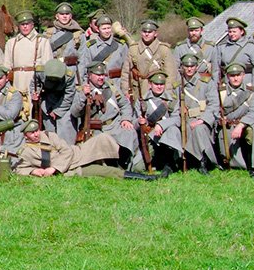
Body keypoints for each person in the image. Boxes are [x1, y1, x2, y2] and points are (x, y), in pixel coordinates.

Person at [13, 120, 155, 179]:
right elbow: (18, 168)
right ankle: (145, 178)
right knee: (106, 172)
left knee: (104, 139)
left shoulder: (49, 136)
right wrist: (33, 171)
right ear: (25, 135)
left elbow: (67, 151)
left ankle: (132, 163)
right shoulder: (26, 151)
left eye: (37, 130)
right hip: (72, 170)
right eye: (32, 133)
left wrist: (53, 168)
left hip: (78, 155)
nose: (36, 134)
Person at [157, 55, 218, 172]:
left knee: (199, 129)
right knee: (174, 130)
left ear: (196, 67)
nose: (189, 69)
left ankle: (203, 162)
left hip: (202, 119)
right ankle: (172, 162)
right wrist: (179, 111)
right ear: (182, 67)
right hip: (185, 120)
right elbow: (174, 110)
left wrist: (203, 119)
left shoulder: (206, 83)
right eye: (186, 66)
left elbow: (214, 104)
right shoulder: (178, 86)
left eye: (192, 66)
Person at [71, 62, 138, 167]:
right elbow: (75, 113)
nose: (101, 77)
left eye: (103, 75)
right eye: (98, 75)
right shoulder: (82, 90)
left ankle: (125, 163)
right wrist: (83, 96)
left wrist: (126, 119)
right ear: (89, 75)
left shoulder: (111, 87)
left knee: (129, 132)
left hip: (114, 124)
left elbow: (124, 104)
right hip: (96, 128)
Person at [214, 64, 254, 175]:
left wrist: (241, 124)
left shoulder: (251, 91)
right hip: (227, 125)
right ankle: (234, 163)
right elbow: (214, 109)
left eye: (238, 75)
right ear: (227, 76)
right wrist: (219, 119)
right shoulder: (220, 91)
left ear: (243, 75)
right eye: (232, 75)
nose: (236, 78)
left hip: (245, 124)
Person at [125, 20, 175, 100]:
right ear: (141, 32)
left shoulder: (163, 49)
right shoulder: (133, 49)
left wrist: (167, 93)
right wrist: (125, 91)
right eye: (144, 31)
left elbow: (170, 74)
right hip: (137, 89)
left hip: (157, 90)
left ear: (155, 33)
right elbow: (126, 72)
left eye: (150, 32)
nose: (147, 34)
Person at [4, 10, 48, 97]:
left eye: (27, 24)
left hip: (34, 81)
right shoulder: (11, 43)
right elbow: (6, 66)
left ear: (32, 25)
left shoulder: (42, 41)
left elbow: (47, 65)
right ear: (18, 26)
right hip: (16, 81)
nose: (25, 27)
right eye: (22, 24)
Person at [79, 15, 128, 85]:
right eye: (104, 29)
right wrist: (85, 85)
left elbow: (126, 69)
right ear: (98, 29)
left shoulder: (121, 45)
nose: (107, 31)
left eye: (109, 28)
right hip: (96, 87)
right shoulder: (90, 47)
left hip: (117, 85)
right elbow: (85, 69)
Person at [44, 2, 86, 75]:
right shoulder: (48, 33)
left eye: (67, 14)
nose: (64, 16)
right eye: (62, 14)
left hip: (71, 72)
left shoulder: (78, 34)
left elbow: (82, 59)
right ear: (56, 16)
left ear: (71, 16)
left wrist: (79, 79)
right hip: (53, 72)